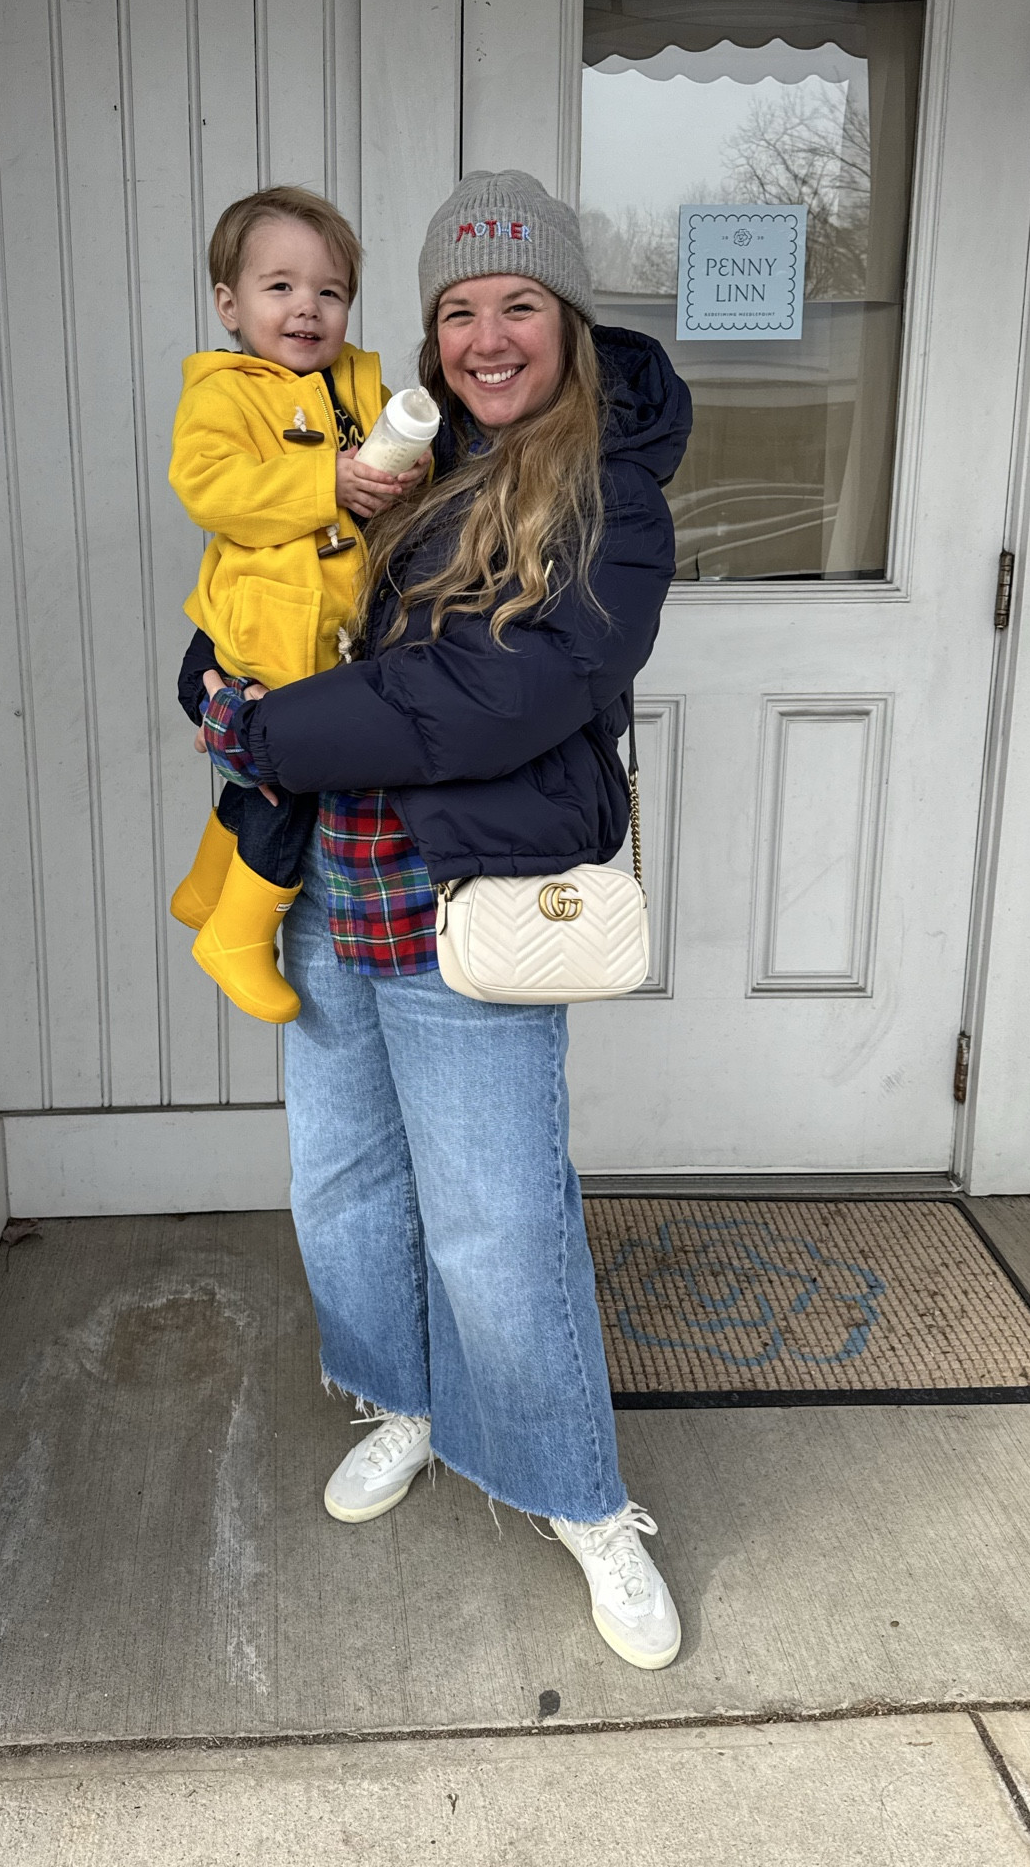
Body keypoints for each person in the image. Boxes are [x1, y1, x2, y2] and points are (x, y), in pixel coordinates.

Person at [196, 171, 693, 1669]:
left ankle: (582, 1497)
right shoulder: (394, 456)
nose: (486, 337)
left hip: (462, 902)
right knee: (344, 1184)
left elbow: (487, 698)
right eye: (459, 309)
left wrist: (265, 730)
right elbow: (269, 591)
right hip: (326, 883)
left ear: (569, 319)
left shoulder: (614, 501)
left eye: (518, 304)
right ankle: (402, 1401)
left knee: (498, 1219)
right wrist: (211, 678)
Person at [166, 186, 425, 1023]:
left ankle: (207, 886)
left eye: (330, 291)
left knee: (262, 771)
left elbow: (389, 473)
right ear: (229, 305)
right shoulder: (224, 395)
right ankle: (238, 933)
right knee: (291, 776)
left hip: (325, 629)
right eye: (280, 286)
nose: (307, 307)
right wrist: (326, 482)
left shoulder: (361, 385)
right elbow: (210, 488)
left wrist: (409, 470)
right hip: (261, 631)